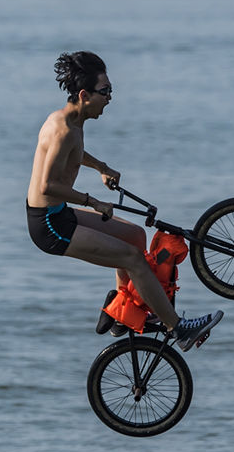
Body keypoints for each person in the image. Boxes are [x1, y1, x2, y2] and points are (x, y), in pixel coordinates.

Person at [26, 51, 223, 351]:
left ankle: (124, 313)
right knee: (131, 259)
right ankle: (178, 329)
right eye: (104, 92)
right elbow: (47, 186)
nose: (109, 98)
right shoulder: (63, 129)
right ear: (83, 94)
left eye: (111, 91)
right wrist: (93, 201)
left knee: (135, 236)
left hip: (58, 214)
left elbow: (72, 156)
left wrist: (101, 167)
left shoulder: (70, 122)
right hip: (49, 225)